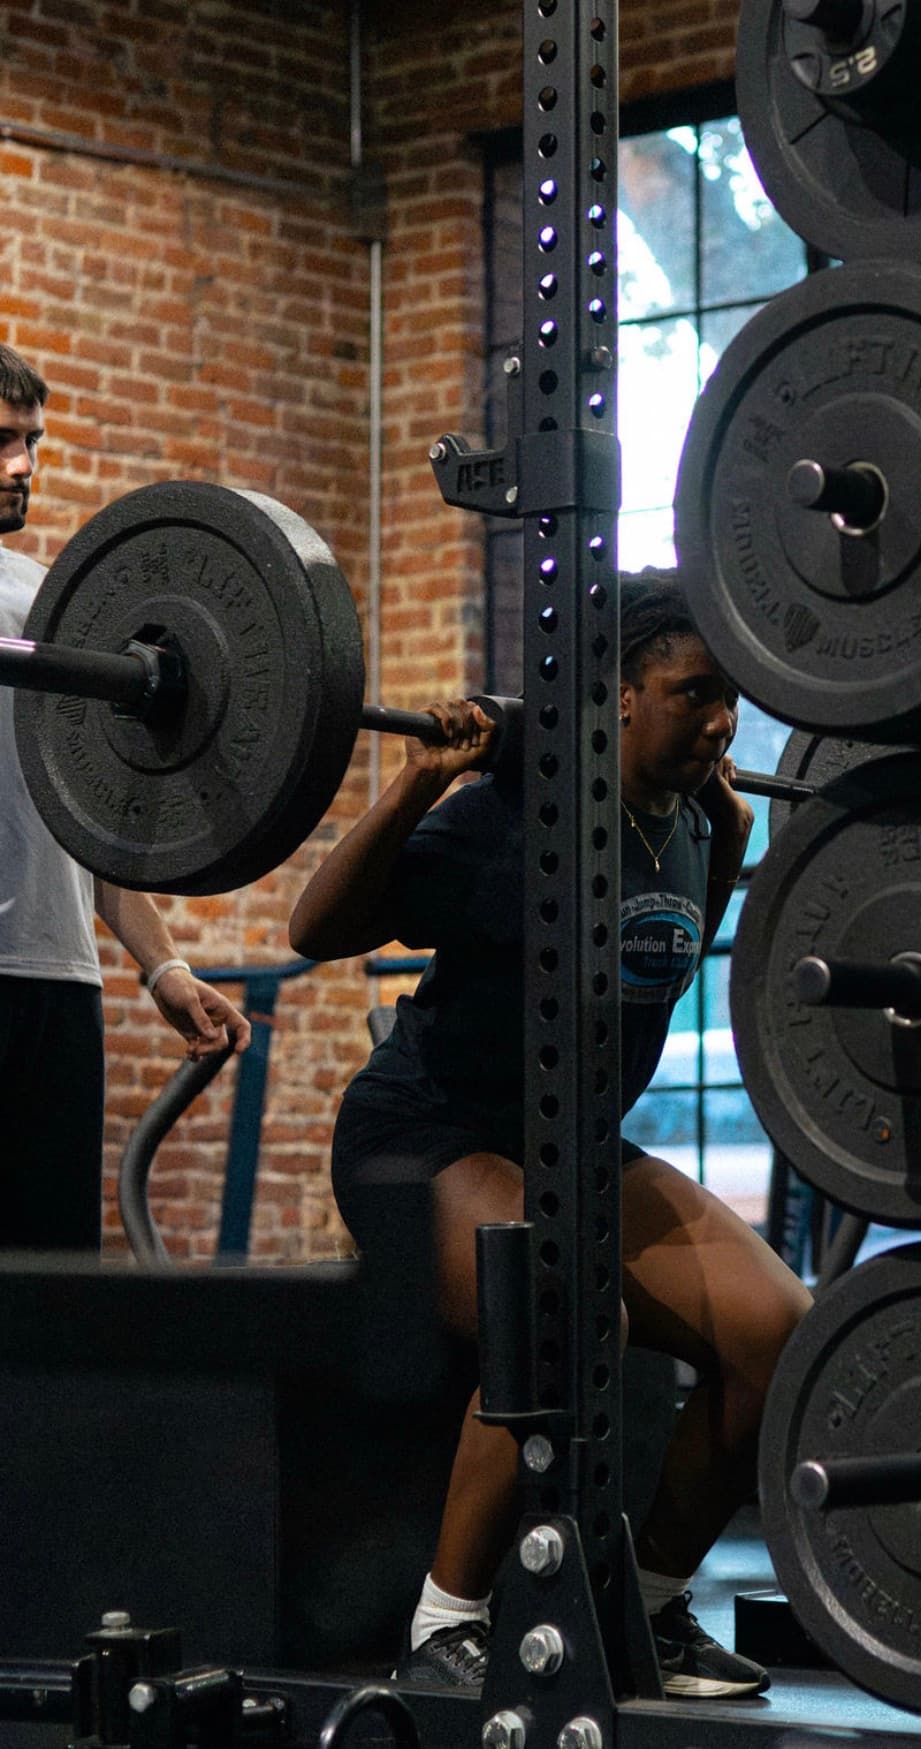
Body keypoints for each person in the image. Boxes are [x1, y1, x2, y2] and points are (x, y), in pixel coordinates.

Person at [289, 573, 812, 1700]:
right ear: (620, 697)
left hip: (567, 1147)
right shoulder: (513, 817)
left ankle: (653, 1609)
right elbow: (314, 926)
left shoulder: (698, 824)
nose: (721, 722)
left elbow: (664, 953)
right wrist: (420, 782)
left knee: (778, 1330)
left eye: (732, 699)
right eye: (694, 693)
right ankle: (444, 1622)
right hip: (422, 1138)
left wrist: (729, 838)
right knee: (564, 1310)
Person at [0, 343, 251, 1250]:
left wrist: (163, 967)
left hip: (57, 981)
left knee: (53, 1279)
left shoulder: (49, 604)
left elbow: (90, 813)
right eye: (2, 441)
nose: (23, 465)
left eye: (32, 441)